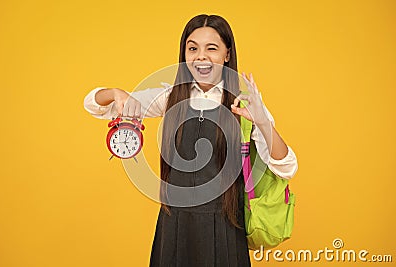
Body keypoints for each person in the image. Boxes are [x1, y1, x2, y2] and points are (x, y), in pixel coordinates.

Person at [84, 14, 298, 267]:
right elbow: (94, 105)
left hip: (226, 226)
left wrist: (262, 122)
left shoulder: (245, 104)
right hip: (175, 226)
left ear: (227, 54)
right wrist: (116, 93)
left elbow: (287, 166)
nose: (201, 56)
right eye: (193, 48)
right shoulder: (170, 96)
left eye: (212, 48)